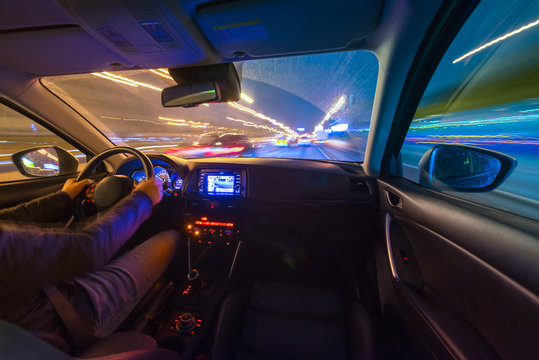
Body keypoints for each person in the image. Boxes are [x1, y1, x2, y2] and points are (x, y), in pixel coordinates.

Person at [0, 177, 180, 344]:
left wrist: (62, 198)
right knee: (170, 238)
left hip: (37, 299)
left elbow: (6, 219)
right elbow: (88, 249)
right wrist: (143, 198)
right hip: (60, 320)